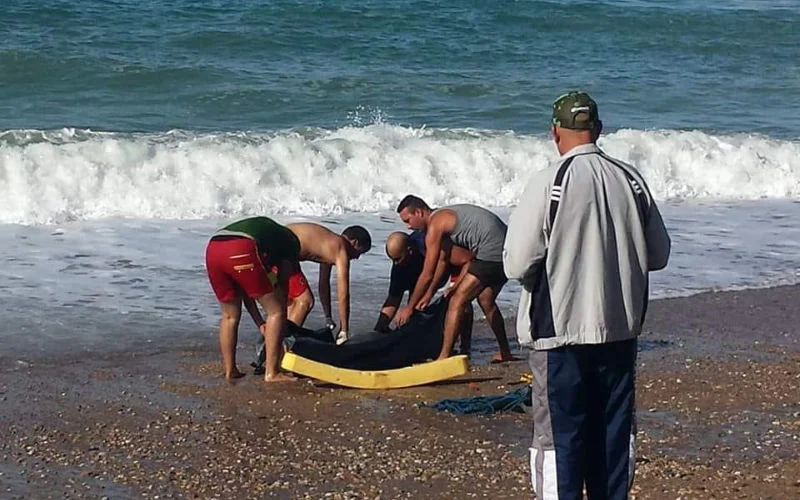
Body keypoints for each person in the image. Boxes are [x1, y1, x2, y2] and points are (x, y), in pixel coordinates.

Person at [503, 91, 671, 499]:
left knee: (559, 442)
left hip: (560, 334)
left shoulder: (551, 179)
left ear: (555, 131)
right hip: (619, 329)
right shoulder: (629, 178)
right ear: (598, 129)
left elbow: (516, 263)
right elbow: (659, 254)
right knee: (612, 441)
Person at [394, 197, 516, 362]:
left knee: (457, 301)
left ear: (419, 212)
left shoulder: (435, 226)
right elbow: (443, 261)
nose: (408, 226)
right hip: (508, 249)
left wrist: (409, 308)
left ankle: (443, 357)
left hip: (490, 251)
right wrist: (429, 294)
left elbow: (427, 273)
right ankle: (505, 352)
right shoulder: (442, 217)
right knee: (486, 300)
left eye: (408, 220)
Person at [205, 216, 298, 382]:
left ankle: (230, 370)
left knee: (229, 316)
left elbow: (247, 290)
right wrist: (278, 322)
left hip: (213, 248)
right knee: (276, 311)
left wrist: (260, 323)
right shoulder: (290, 244)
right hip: (241, 247)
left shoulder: (267, 234)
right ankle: (272, 372)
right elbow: (283, 281)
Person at [374, 231, 475, 353]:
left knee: (460, 301)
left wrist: (454, 287)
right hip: (427, 276)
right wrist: (378, 330)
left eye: (397, 259)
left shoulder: (429, 243)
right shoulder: (399, 267)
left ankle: (464, 347)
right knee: (414, 312)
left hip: (456, 264)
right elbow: (393, 299)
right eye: (392, 260)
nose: (395, 263)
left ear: (409, 250)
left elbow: (468, 260)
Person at [284, 222, 372, 344]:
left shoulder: (329, 242)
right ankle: (280, 346)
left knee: (294, 303)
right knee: (305, 301)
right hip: (281, 252)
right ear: (354, 243)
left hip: (279, 250)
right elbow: (343, 294)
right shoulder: (341, 248)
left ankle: (274, 345)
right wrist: (344, 331)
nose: (357, 257)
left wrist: (328, 317)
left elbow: (324, 284)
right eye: (360, 252)